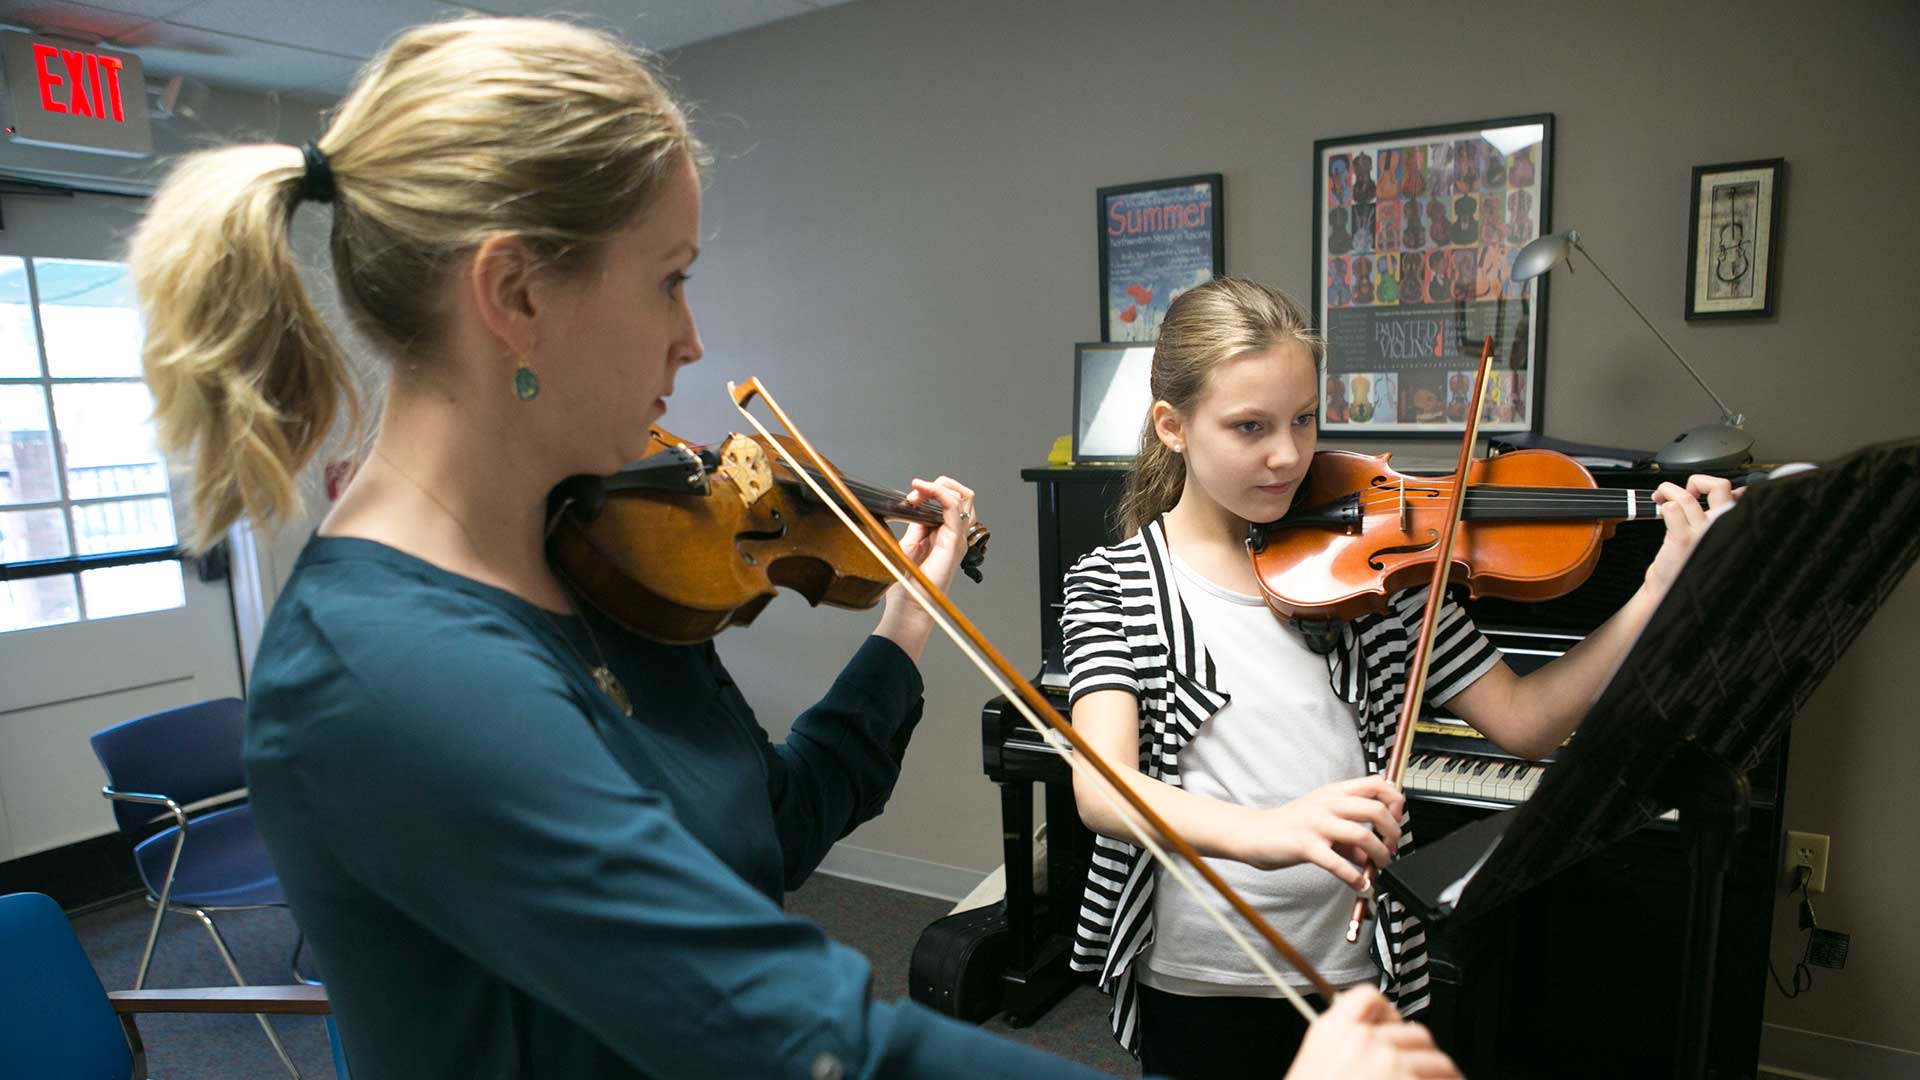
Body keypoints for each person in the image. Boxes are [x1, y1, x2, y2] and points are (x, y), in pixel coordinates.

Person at [130, 17, 1461, 1080]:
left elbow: (758, 832)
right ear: (516, 293)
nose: (691, 342)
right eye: (671, 277)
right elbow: (794, 1037)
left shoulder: (591, 568)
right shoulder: (391, 674)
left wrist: (906, 617)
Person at [1061, 277, 1734, 1078]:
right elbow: (1102, 790)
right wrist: (1276, 832)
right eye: (1250, 427)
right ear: (1171, 425)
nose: (1288, 455)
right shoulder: (1113, 583)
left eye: (1304, 419)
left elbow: (1524, 721)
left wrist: (1656, 595)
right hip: (1200, 973)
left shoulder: (1380, 564)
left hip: (1351, 969)